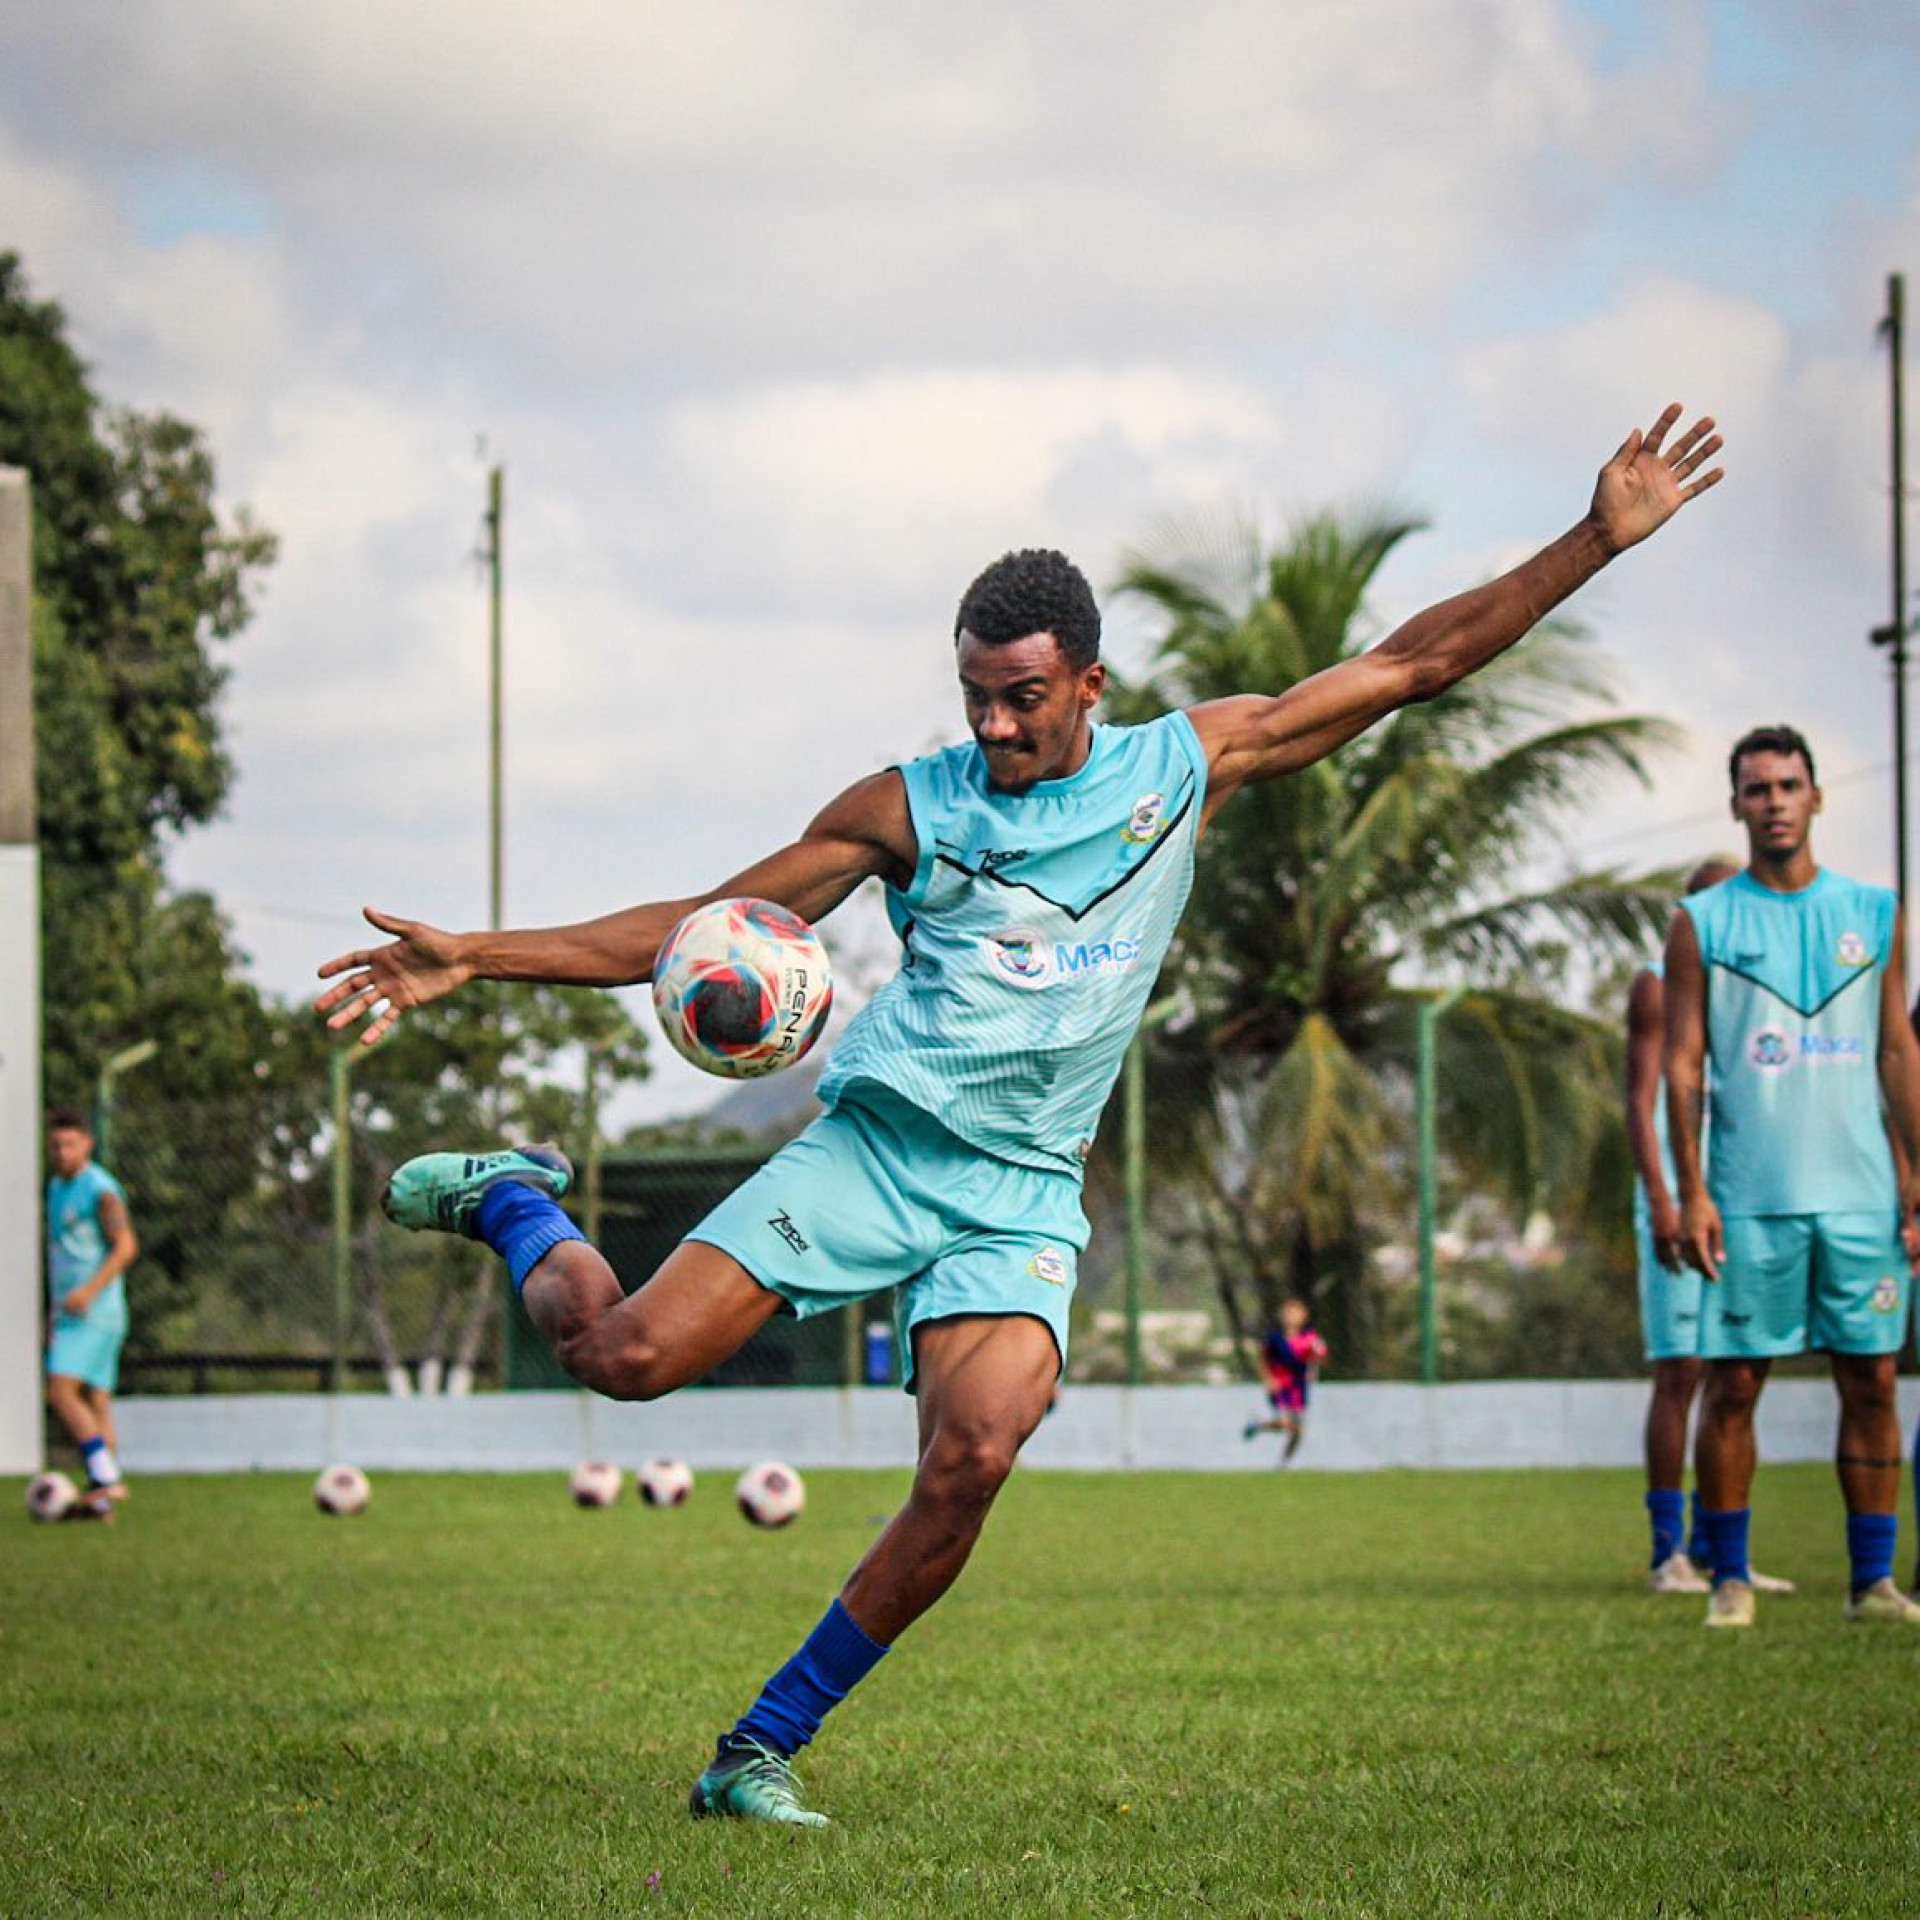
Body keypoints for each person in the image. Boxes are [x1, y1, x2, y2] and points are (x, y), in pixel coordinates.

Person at [319, 403, 1722, 1824]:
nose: (991, 725)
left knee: (973, 1458)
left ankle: (756, 1751)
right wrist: (476, 956)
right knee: (622, 1357)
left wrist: (1595, 539)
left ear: (1090, 684)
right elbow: (704, 924)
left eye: (1021, 700)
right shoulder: (908, 807)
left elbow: (1414, 664)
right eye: (975, 696)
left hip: (1025, 1188)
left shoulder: (1185, 769)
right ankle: (514, 1199)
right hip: (881, 1148)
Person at [1667, 725, 1920, 1629]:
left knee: (1875, 1382)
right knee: (1733, 1385)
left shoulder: (1877, 911)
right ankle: (1729, 1577)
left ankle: (1874, 1584)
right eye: (1757, 788)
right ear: (1735, 805)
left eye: (1788, 785)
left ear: (1816, 797)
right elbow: (1685, 1065)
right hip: (1748, 1199)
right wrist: (1693, 1188)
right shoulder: (1701, 922)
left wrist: (1916, 1174)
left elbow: (1897, 1047)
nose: (1773, 801)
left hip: (1860, 1196)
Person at [1625, 854, 1792, 1596]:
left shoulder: (1755, 989)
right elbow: (1640, 1099)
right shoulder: (1658, 983)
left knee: (1738, 1371)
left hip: (1738, 1196)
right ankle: (1669, 1554)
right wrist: (1661, 1196)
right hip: (1675, 1195)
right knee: (1681, 1370)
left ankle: (1723, 1547)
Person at [44, 1107, 138, 1507]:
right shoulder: (54, 1187)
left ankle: (104, 1478)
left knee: (60, 1392)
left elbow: (126, 1247)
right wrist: (54, 1312)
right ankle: (105, 1496)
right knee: (97, 1400)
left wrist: (88, 1292)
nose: (63, 1151)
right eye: (56, 1144)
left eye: (71, 1143)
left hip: (96, 1311)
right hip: (70, 1313)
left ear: (87, 1144)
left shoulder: (100, 1188)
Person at [1242, 1298, 1326, 1462]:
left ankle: (1284, 1462)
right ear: (1281, 1316)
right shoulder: (1275, 1338)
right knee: (1283, 1422)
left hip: (1299, 1387)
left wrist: (1314, 1369)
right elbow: (1263, 1359)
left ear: (1304, 1316)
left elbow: (1319, 1356)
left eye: (1295, 1313)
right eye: (1288, 1313)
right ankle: (1258, 1425)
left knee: (1298, 1431)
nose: (1291, 1316)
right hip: (1279, 1385)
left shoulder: (1310, 1337)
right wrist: (1268, 1379)